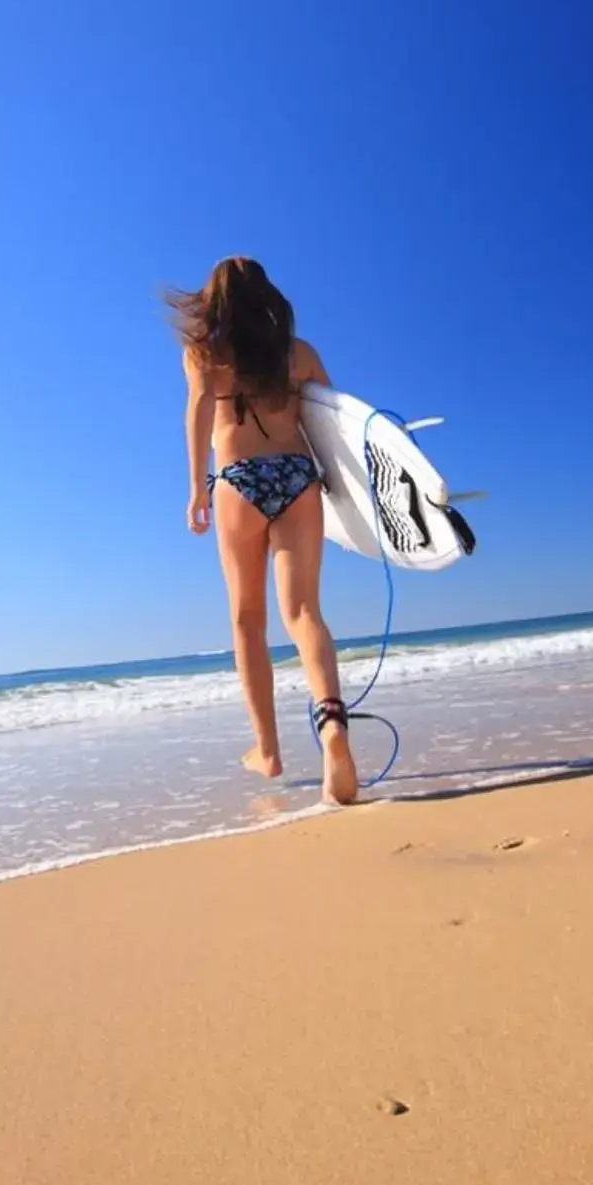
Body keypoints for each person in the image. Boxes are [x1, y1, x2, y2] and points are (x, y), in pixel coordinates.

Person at [169, 256, 358, 805]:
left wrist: (198, 491)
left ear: (215, 303)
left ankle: (268, 751)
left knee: (248, 620)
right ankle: (333, 728)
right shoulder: (299, 356)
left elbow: (198, 415)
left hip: (240, 481)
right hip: (299, 477)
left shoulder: (203, 356)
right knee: (304, 614)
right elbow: (334, 422)